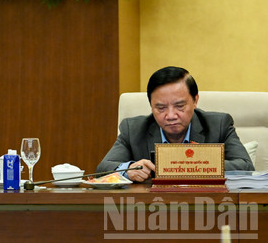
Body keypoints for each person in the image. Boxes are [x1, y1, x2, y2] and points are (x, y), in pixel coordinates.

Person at [97, 66, 254, 182]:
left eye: (180, 106)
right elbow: (103, 168)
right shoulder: (133, 129)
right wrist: (128, 169)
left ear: (195, 101)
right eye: (161, 108)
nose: (171, 115)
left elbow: (246, 167)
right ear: (151, 106)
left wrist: (198, 164)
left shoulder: (219, 124)